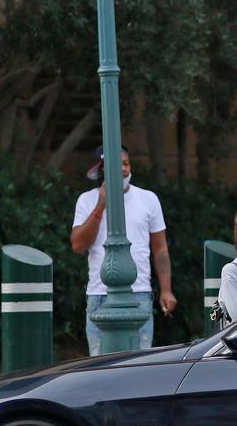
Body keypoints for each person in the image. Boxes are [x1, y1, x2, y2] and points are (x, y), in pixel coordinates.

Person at [71, 146, 175, 354]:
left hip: (139, 295)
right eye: (115, 166)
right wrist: (100, 206)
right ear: (101, 171)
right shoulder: (86, 200)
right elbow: (78, 245)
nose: (123, 170)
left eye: (125, 164)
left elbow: (160, 248)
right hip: (99, 295)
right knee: (99, 369)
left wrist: (166, 289)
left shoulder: (148, 199)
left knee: (139, 366)